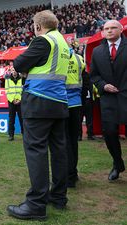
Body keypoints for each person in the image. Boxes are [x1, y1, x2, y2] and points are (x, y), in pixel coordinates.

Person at [6, 10, 70, 220]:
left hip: (39, 101)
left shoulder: (43, 41)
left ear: (38, 26)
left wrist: (24, 69)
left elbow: (18, 64)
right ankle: (59, 197)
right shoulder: (63, 43)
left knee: (36, 150)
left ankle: (36, 204)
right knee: (59, 150)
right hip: (59, 102)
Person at [90, 20, 126, 181]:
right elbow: (94, 75)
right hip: (108, 98)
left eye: (113, 28)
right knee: (110, 133)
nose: (109, 31)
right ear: (103, 32)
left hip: (126, 95)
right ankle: (117, 164)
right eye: (106, 29)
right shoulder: (97, 51)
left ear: (121, 29)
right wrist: (104, 86)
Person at [65, 47, 85, 188]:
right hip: (76, 103)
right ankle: (74, 173)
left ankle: (69, 177)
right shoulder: (79, 59)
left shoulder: (60, 59)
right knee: (73, 141)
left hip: (63, 103)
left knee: (64, 142)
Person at [4, 71, 24, 141]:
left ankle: (24, 134)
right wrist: (12, 100)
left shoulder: (21, 78)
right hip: (11, 101)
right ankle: (11, 135)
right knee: (11, 119)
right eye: (13, 70)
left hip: (20, 101)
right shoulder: (7, 80)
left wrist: (20, 99)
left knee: (22, 119)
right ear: (11, 71)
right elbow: (7, 91)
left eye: (15, 70)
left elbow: (23, 90)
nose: (14, 72)